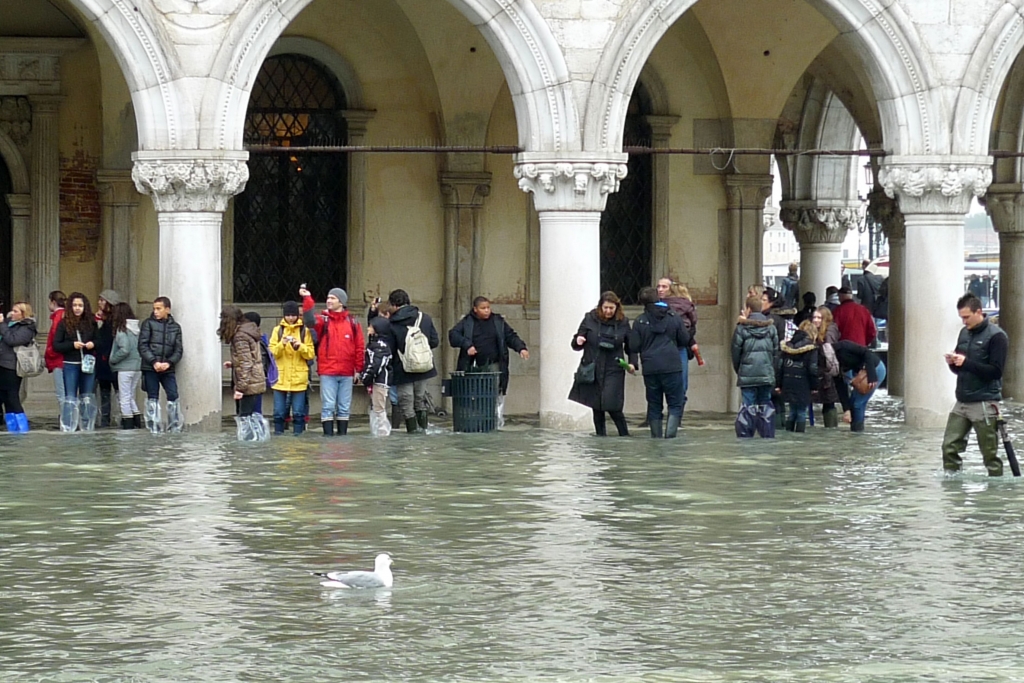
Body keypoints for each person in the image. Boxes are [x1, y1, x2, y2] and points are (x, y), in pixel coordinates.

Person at [941, 293, 1008, 476]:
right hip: (962, 400)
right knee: (949, 447)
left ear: (979, 312)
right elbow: (961, 369)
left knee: (989, 455)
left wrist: (966, 363)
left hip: (985, 402)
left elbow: (996, 372)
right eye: (961, 317)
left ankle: (995, 493)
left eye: (966, 317)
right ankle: (953, 487)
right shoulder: (964, 333)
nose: (964, 322)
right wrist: (953, 363)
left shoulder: (997, 337)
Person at [448, 296, 529, 429]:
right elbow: (453, 335)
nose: (486, 311)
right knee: (472, 394)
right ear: (475, 309)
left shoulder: (498, 321)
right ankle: (475, 421)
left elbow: (510, 336)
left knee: (494, 393)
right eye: (483, 308)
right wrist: (467, 345)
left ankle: (493, 421)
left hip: (494, 364)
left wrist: (521, 348)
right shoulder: (467, 322)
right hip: (472, 365)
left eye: (488, 308)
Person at [568, 291, 637, 437]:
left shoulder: (623, 322)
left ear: (617, 308)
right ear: (600, 306)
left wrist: (632, 363)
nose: (608, 311)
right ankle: (601, 438)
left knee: (613, 406)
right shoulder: (589, 318)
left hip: (614, 368)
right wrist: (578, 340)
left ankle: (625, 436)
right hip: (593, 366)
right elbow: (576, 342)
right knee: (596, 406)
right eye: (605, 307)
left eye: (611, 308)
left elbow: (631, 346)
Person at [301, 286, 364, 436]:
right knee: (328, 406)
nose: (329, 300)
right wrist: (307, 299)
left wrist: (358, 369)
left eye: (333, 298)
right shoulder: (323, 320)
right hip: (328, 371)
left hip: (347, 372)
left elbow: (359, 347)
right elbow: (309, 321)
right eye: (328, 298)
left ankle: (342, 437)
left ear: (341, 302)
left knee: (344, 407)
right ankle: (328, 437)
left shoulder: (353, 323)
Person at [631, 286, 690, 438]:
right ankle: (670, 438)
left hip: (650, 368)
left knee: (654, 405)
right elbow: (685, 339)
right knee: (675, 404)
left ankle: (656, 439)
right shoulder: (674, 316)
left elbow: (633, 346)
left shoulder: (640, 321)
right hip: (671, 365)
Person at [383, 289, 439, 434]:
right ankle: (424, 431)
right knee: (419, 400)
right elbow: (434, 341)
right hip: (423, 366)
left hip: (403, 368)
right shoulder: (425, 318)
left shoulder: (393, 323)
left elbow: (390, 347)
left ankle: (412, 433)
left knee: (406, 402)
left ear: (394, 305)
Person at [732, 294, 779, 438]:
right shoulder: (771, 328)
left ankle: (746, 436)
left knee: (748, 405)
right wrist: (771, 371)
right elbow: (776, 353)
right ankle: (767, 434)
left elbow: (735, 353)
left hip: (748, 374)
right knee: (766, 404)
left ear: (748, 309)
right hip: (766, 373)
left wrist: (740, 370)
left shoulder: (741, 329)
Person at [218, 306, 268, 441]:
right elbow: (250, 358)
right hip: (255, 379)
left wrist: (240, 388)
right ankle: (259, 441)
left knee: (244, 417)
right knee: (252, 416)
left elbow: (246, 363)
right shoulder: (247, 331)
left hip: (249, 382)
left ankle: (248, 449)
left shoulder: (239, 336)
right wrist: (234, 363)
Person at [52, 292, 98, 432]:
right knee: (70, 397)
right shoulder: (63, 323)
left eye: (80, 305)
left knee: (87, 396)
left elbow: (100, 341)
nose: (77, 308)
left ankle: (87, 426)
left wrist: (92, 344)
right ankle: (68, 427)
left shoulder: (91, 323)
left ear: (85, 307)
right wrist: (72, 345)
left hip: (87, 364)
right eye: (75, 305)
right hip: (70, 364)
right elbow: (56, 345)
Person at [138, 296, 184, 433]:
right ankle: (154, 428)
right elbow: (142, 345)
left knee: (173, 395)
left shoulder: (175, 327)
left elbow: (178, 349)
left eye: (159, 308)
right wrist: (154, 362)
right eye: (154, 309)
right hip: (150, 367)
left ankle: (174, 428)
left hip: (167, 368)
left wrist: (169, 363)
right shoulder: (148, 324)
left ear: (167, 310)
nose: (156, 311)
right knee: (152, 397)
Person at [269, 300, 315, 436]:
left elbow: (310, 354)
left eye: (293, 315)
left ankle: (298, 437)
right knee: (278, 413)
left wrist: (299, 346)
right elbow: (272, 352)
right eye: (288, 315)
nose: (290, 318)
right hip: (280, 377)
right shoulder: (277, 330)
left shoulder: (304, 331)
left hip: (299, 378)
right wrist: (282, 344)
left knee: (298, 413)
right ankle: (278, 435)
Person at [660, 279, 699, 419]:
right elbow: (693, 322)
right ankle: (677, 417)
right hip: (681, 346)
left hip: (663, 346)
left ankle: (657, 416)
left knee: (659, 384)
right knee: (681, 384)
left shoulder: (662, 305)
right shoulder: (688, 306)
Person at [832, 339, 885, 432]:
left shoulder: (843, 346)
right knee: (853, 402)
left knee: (858, 404)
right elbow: (841, 389)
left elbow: (866, 352)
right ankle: (855, 431)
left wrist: (872, 375)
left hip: (875, 369)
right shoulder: (832, 367)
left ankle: (858, 433)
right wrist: (846, 410)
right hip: (861, 373)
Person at [0, 302, 37, 433]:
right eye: (12, 310)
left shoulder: (27, 327)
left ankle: (22, 428)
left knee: (12, 395)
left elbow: (12, 340)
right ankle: (12, 428)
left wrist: (2, 325)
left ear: (23, 314)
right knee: (4, 396)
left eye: (16, 311)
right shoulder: (10, 324)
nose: (12, 313)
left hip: (13, 365)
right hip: (2, 363)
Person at [778, 320, 818, 433]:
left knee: (791, 411)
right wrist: (814, 386)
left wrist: (779, 384)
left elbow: (780, 366)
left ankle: (789, 434)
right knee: (801, 412)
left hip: (788, 380)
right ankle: (799, 438)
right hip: (803, 383)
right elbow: (813, 369)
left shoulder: (788, 346)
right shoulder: (812, 348)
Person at [108, 302, 142, 429]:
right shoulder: (136, 330)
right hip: (137, 367)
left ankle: (128, 427)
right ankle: (137, 423)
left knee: (124, 398)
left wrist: (113, 359)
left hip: (125, 368)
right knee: (131, 396)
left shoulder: (121, 330)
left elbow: (125, 349)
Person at [361, 317, 394, 437]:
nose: (368, 328)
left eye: (371, 326)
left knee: (379, 408)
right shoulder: (375, 344)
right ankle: (376, 432)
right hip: (376, 381)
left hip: (380, 382)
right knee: (375, 407)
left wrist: (366, 377)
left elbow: (375, 365)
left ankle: (382, 433)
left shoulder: (380, 346)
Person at [93, 290, 121, 428]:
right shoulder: (99, 319)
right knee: (104, 392)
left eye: (102, 300)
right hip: (102, 362)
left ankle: (120, 418)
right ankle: (104, 420)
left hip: (113, 361)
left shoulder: (116, 320)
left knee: (118, 392)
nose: (99, 302)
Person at [811, 306, 841, 429]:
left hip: (828, 373)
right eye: (814, 317)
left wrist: (829, 373)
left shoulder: (829, 333)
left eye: (819, 317)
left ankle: (831, 428)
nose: (815, 320)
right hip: (823, 372)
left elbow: (829, 355)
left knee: (829, 403)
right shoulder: (820, 332)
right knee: (827, 403)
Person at [45, 290, 66, 418]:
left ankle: (65, 419)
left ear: (53, 302)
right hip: (64, 358)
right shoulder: (65, 315)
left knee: (61, 393)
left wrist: (49, 354)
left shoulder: (58, 317)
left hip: (59, 359)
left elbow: (54, 339)